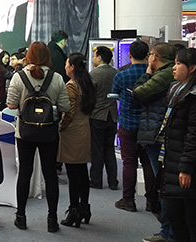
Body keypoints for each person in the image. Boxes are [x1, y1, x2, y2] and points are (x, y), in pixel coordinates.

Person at [7, 41, 69, 233]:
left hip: (24, 132)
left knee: (24, 173)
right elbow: (65, 106)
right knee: (50, 175)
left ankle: (21, 217)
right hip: (49, 132)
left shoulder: (18, 77)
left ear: (29, 56)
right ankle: (52, 220)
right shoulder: (56, 78)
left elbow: (11, 104)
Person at [160, 48, 196, 242]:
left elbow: (195, 136)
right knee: (175, 217)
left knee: (192, 220)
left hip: (188, 169)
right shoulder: (179, 91)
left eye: (178, 64)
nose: (174, 68)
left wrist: (186, 168)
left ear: (192, 68)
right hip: (174, 163)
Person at [133, 43, 176, 242]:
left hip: (157, 133)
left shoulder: (163, 75)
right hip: (158, 131)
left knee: (163, 182)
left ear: (155, 57)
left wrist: (148, 73)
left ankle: (168, 231)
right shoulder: (168, 74)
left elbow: (138, 93)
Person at [114, 39, 155, 213]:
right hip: (148, 125)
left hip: (127, 123)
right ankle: (152, 201)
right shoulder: (154, 76)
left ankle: (128, 200)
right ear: (147, 56)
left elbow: (115, 93)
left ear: (129, 55)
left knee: (129, 163)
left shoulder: (121, 75)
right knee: (148, 163)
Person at [59, 53, 97, 228]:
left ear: (72, 67)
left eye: (67, 64)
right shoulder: (87, 83)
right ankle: (84, 207)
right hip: (84, 129)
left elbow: (69, 112)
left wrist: (61, 126)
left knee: (73, 174)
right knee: (82, 172)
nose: (65, 67)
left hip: (72, 132)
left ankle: (73, 210)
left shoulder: (71, 85)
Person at [88, 46, 119, 190]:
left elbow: (89, 96)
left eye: (95, 56)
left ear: (99, 57)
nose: (93, 59)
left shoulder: (93, 74)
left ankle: (96, 180)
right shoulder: (115, 73)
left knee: (97, 149)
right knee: (109, 149)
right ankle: (113, 181)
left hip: (97, 115)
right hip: (112, 115)